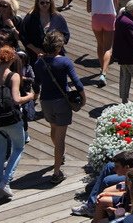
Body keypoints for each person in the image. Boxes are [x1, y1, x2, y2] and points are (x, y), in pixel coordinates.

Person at [0, 46, 34, 199]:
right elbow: (17, 100)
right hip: (12, 119)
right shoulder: (14, 76)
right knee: (18, 147)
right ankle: (6, 182)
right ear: (11, 59)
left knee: (0, 154)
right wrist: (30, 97)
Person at [34, 30, 85, 184]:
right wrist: (83, 99)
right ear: (59, 46)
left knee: (53, 128)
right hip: (61, 102)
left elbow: (37, 82)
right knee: (61, 138)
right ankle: (56, 172)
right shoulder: (65, 62)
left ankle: (59, 155)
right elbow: (77, 83)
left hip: (46, 102)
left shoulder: (39, 62)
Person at [72, 151, 133, 218]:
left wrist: (109, 195)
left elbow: (127, 196)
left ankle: (93, 209)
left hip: (127, 202)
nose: (114, 169)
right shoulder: (129, 176)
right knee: (99, 189)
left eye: (117, 167)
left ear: (127, 167)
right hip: (125, 189)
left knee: (103, 195)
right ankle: (93, 204)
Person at [87, 0, 118, 87]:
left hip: (96, 19)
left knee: (100, 44)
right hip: (109, 19)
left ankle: (102, 68)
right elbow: (116, 6)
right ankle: (103, 73)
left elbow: (88, 8)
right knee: (108, 48)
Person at [21, 0, 70, 64]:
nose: (45, 4)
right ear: (37, 3)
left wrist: (56, 48)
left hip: (55, 56)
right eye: (42, 3)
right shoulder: (30, 18)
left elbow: (66, 35)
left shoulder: (57, 17)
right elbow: (23, 36)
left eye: (47, 2)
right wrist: (36, 50)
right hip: (36, 55)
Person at [113, 0, 133, 104]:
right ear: (132, 11)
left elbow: (124, 37)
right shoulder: (129, 23)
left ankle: (124, 100)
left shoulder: (120, 18)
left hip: (122, 54)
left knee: (125, 78)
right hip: (131, 56)